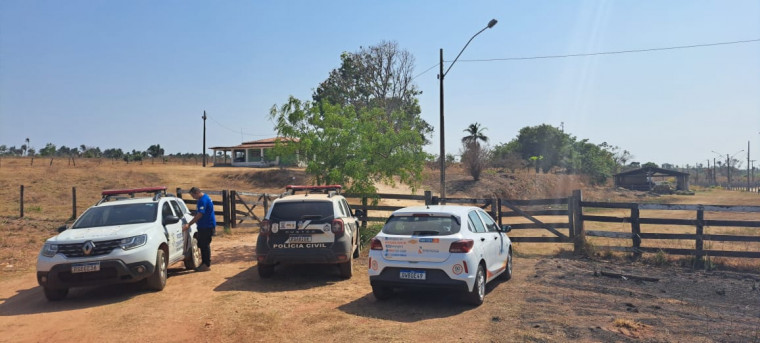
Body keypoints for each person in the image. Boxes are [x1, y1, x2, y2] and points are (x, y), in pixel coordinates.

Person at [183, 187, 216, 271]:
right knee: (202, 244)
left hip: (206, 226)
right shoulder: (204, 198)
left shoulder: (202, 200)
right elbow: (201, 212)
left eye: (193, 195)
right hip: (204, 225)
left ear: (197, 192)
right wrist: (194, 213)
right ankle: (204, 263)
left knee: (204, 245)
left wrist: (189, 224)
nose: (193, 197)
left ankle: (206, 264)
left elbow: (200, 214)